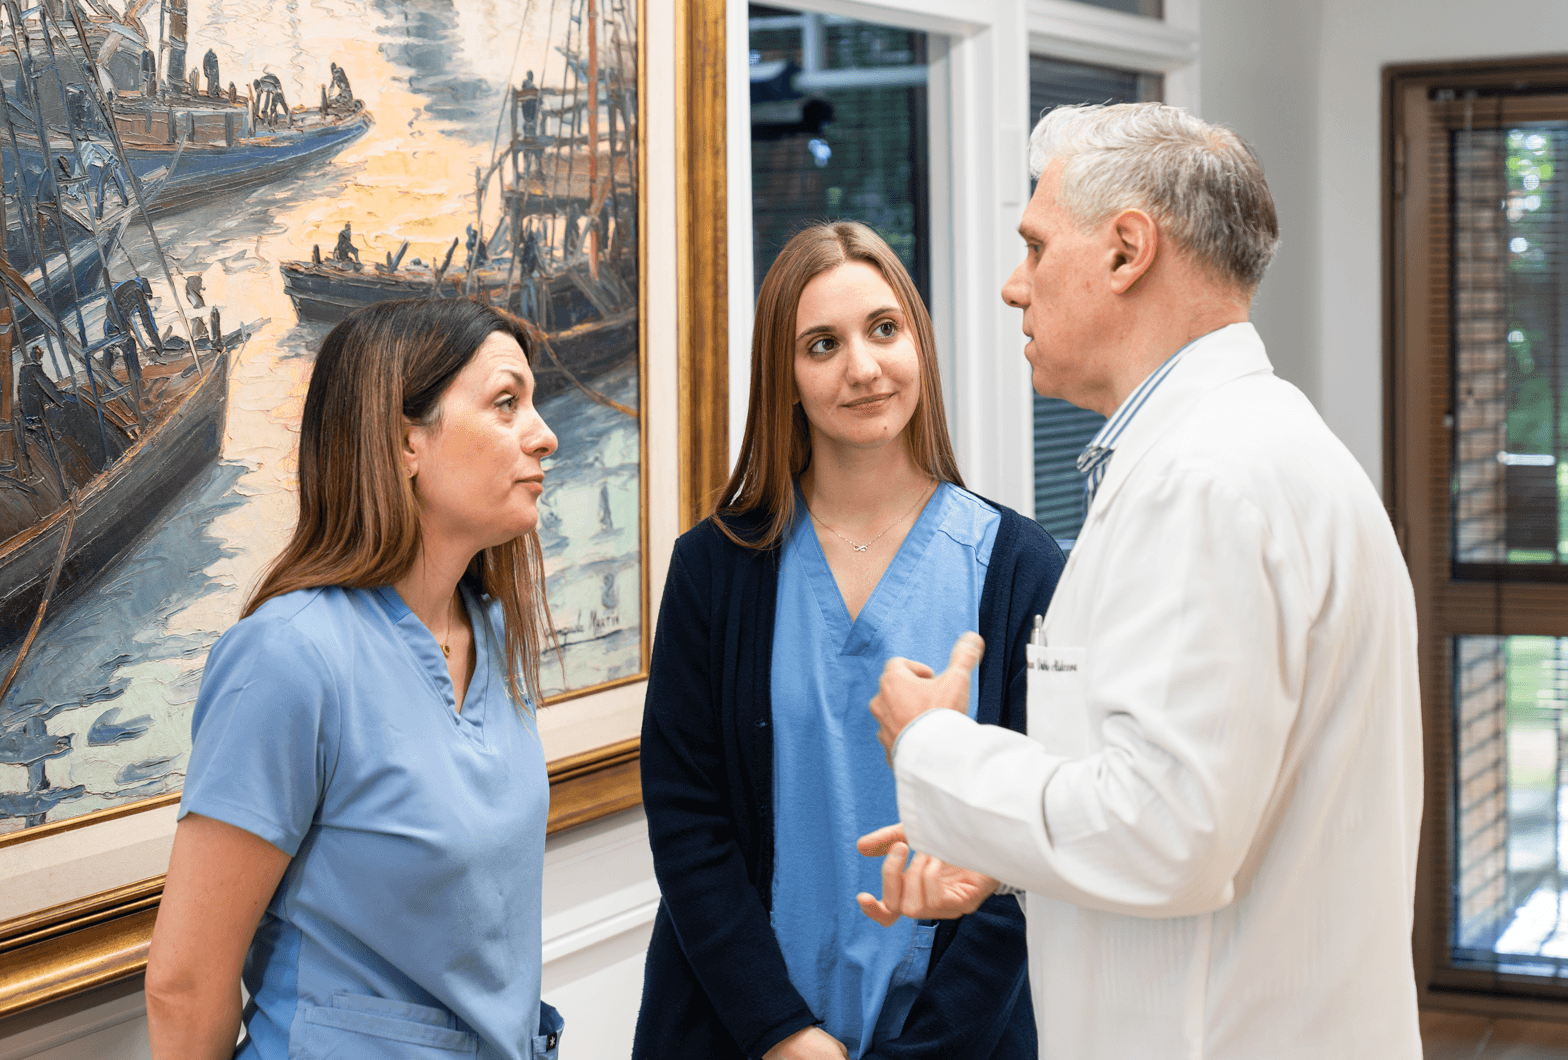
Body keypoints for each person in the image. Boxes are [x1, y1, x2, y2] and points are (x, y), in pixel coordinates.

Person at [859, 102, 1425, 1059]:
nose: (1012, 285)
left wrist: (935, 749)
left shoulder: (1205, 482)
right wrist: (998, 859)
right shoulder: (1261, 449)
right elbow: (1201, 808)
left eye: (1035, 247)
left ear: (1127, 252)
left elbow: (1167, 835)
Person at [633, 221, 1063, 1060]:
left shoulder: (1018, 569)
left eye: (884, 330)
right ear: (785, 378)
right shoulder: (714, 571)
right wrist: (783, 1032)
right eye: (821, 345)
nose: (862, 369)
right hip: (741, 1030)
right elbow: (689, 824)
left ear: (919, 345)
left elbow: (1030, 846)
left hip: (957, 1037)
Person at [144, 299, 567, 1060]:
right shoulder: (287, 658)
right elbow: (183, 984)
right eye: (507, 404)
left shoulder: (495, 634)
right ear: (406, 440)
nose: (545, 434)